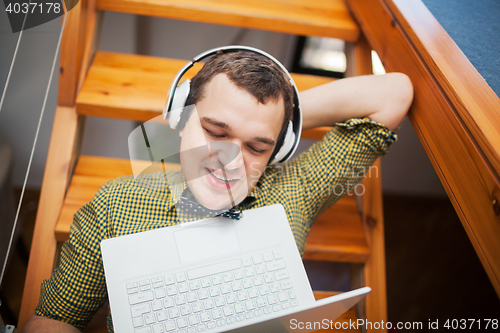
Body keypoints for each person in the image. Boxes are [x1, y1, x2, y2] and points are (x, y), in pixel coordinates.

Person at [24, 48, 413, 332]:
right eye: (215, 132)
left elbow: (394, 93)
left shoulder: (293, 192)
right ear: (180, 118)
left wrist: (282, 118)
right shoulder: (117, 204)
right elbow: (50, 321)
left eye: (257, 146)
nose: (230, 160)